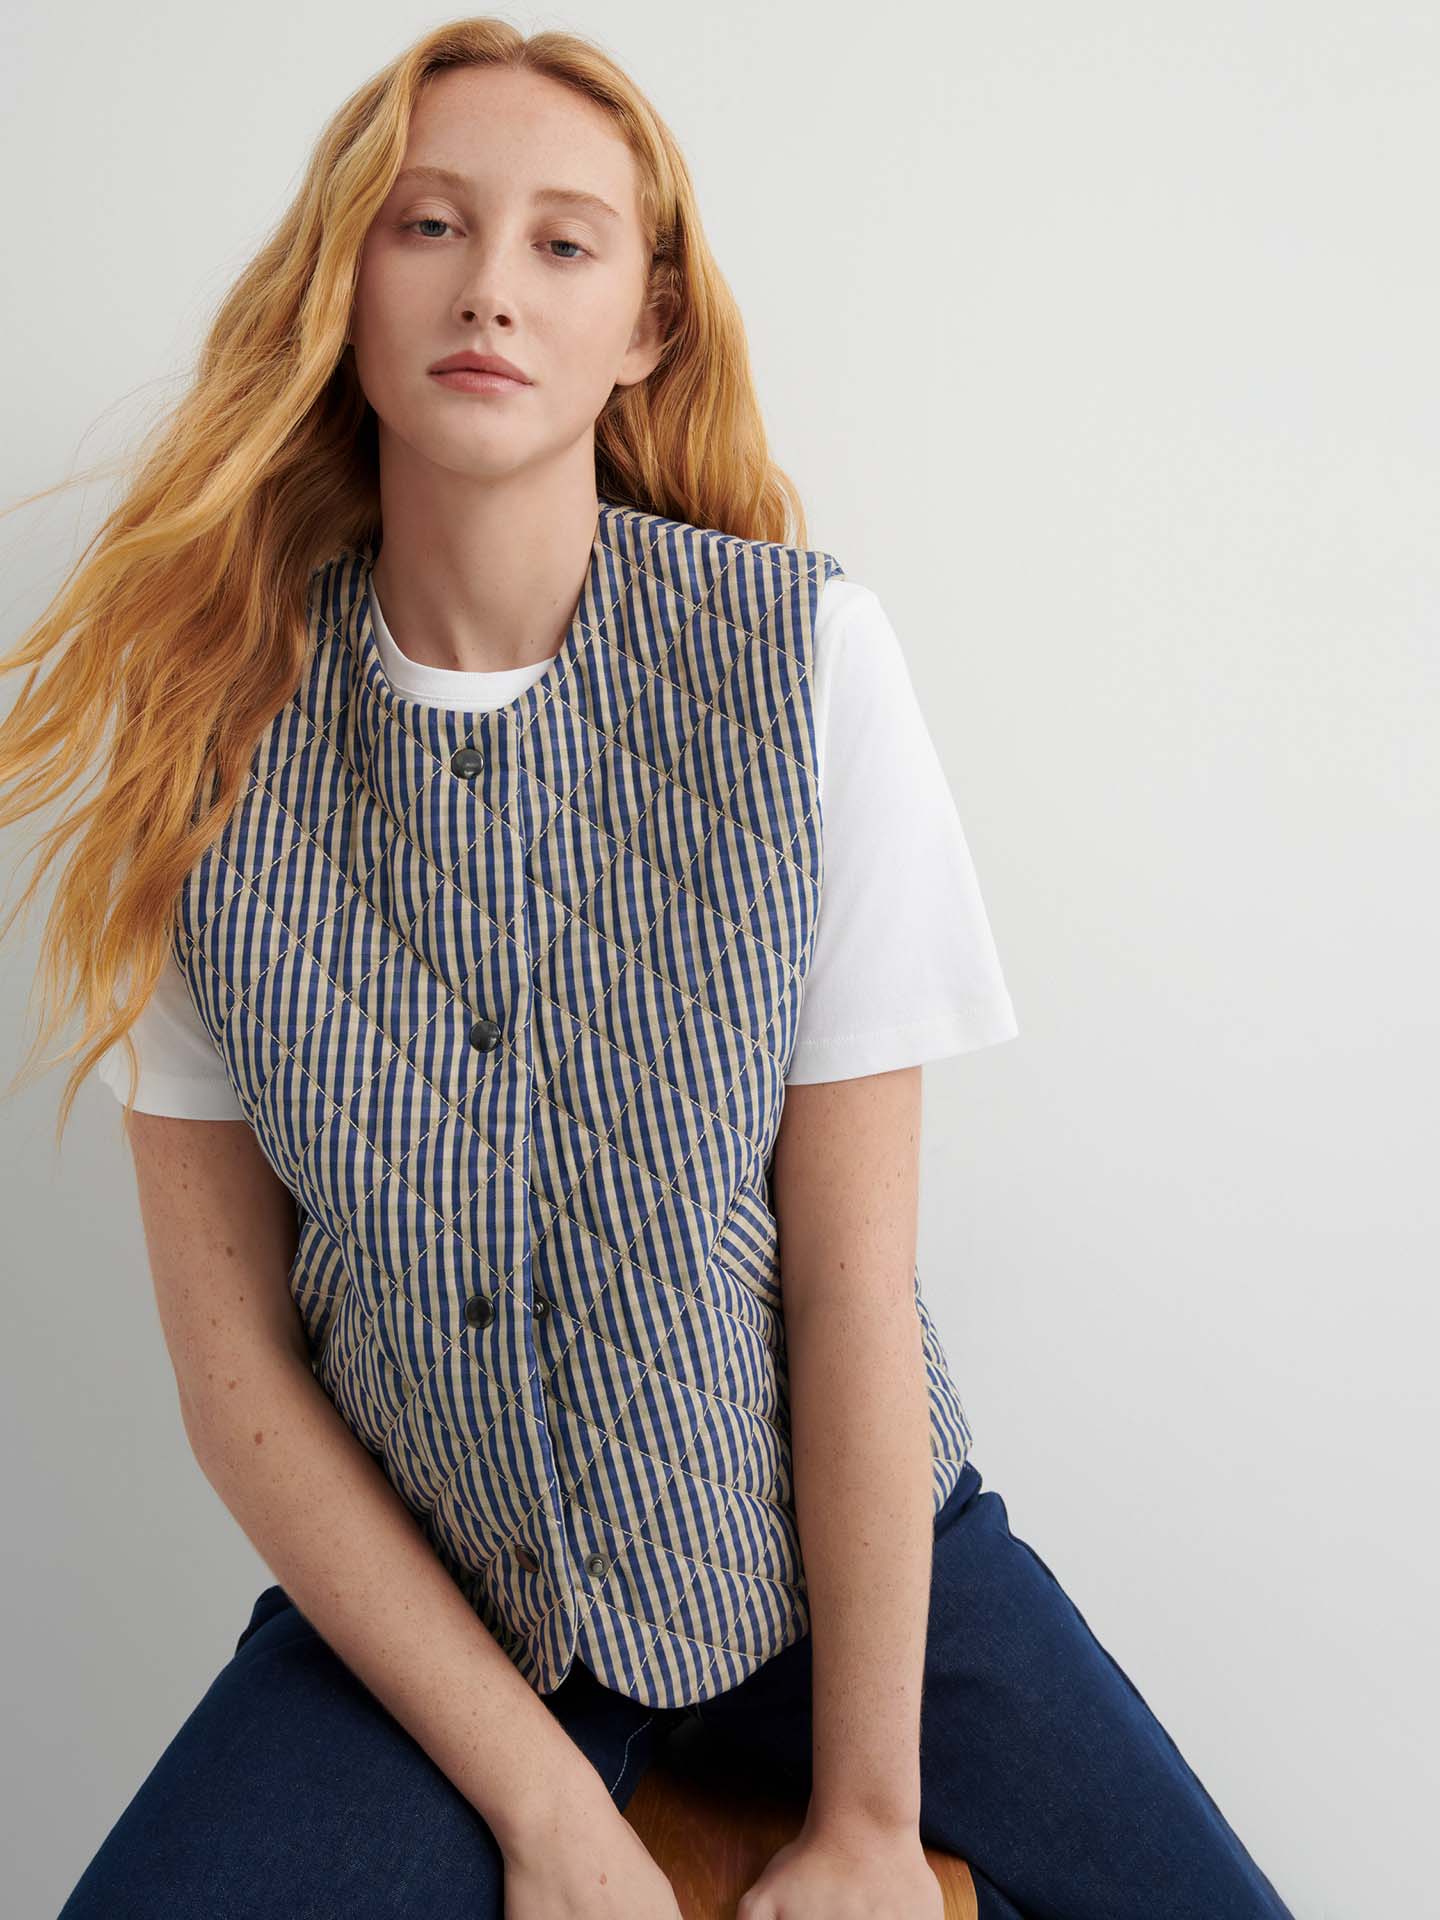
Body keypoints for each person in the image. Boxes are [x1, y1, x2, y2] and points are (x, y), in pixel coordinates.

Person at [0, 18, 1296, 1919]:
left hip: (841, 1577)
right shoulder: (201, 750)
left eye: (564, 243)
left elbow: (850, 1286)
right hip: (436, 1609)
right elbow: (237, 1375)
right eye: (428, 225)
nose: (490, 289)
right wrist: (544, 1809)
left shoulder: (802, 668)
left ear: (647, 325)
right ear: (342, 280)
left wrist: (867, 1823)